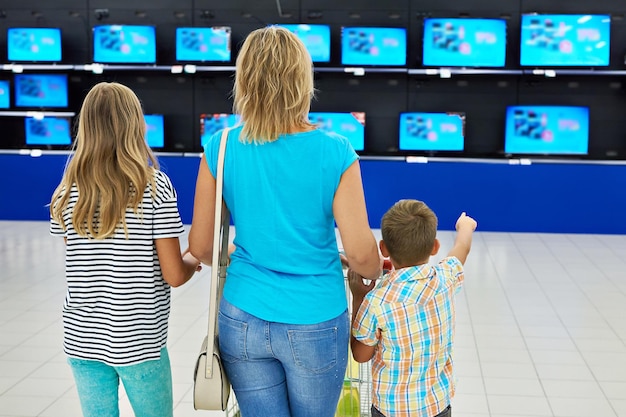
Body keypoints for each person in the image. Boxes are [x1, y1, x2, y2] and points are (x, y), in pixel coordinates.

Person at [188, 26, 382, 417]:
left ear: (245, 80)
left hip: (242, 314)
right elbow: (362, 256)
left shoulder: (221, 146)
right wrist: (372, 268)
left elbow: (201, 248)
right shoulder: (336, 151)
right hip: (316, 319)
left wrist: (240, 252)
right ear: (302, 80)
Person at [49, 82, 201, 417]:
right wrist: (194, 258)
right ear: (135, 124)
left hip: (82, 338)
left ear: (86, 126)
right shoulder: (154, 186)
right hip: (138, 340)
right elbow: (174, 274)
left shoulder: (66, 192)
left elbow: (83, 261)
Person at [348, 200, 477, 417]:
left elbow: (361, 355)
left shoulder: (376, 300)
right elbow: (461, 249)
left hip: (390, 409)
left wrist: (358, 297)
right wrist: (465, 226)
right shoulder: (444, 279)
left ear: (384, 249)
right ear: (435, 247)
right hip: (436, 406)